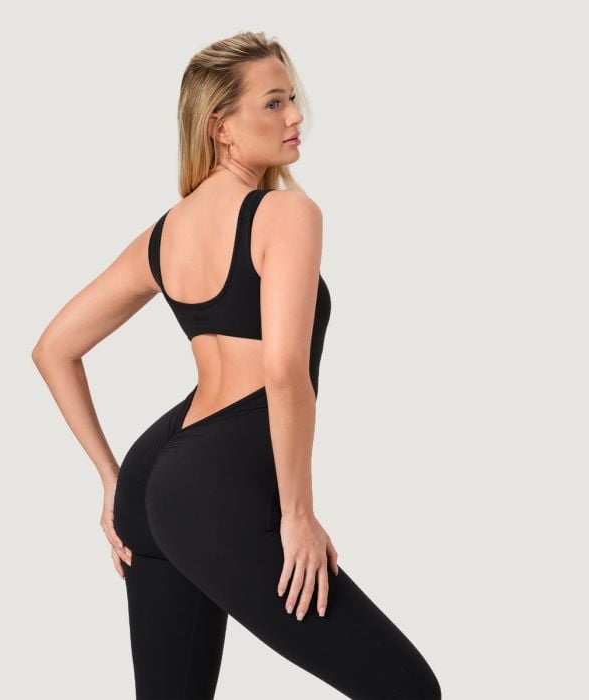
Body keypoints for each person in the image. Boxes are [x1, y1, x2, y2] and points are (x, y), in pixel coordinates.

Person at [32, 31, 441, 700]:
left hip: (153, 479)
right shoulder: (287, 213)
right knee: (406, 689)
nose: (296, 116)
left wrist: (112, 480)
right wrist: (297, 513)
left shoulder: (165, 233)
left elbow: (54, 347)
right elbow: (283, 369)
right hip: (214, 485)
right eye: (273, 103)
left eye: (293, 99)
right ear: (220, 126)